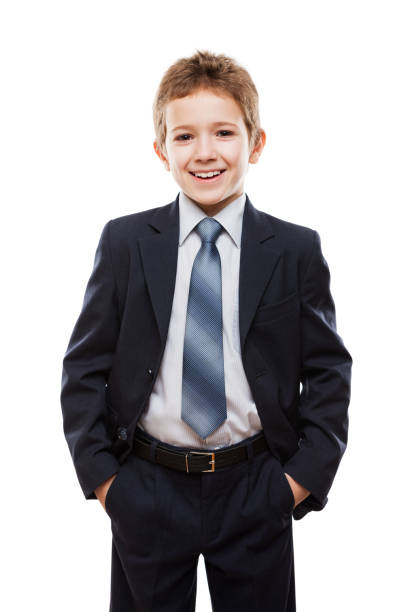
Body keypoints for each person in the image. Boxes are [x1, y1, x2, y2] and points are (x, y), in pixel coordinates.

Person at [60, 49, 352, 612]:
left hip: (255, 485)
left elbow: (328, 373)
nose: (205, 152)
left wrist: (294, 483)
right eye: (185, 136)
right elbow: (83, 367)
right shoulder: (125, 243)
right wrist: (107, 484)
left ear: (256, 143)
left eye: (223, 132)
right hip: (147, 485)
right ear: (160, 149)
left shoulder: (295, 249)